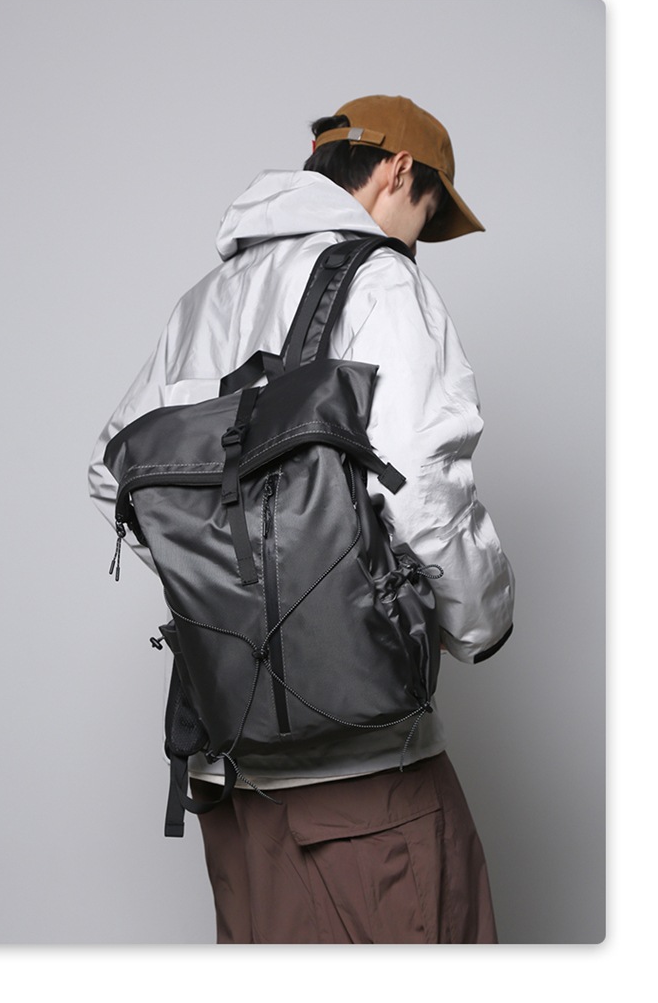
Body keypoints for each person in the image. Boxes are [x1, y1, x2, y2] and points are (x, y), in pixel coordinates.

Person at [88, 95, 515, 944]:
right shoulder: (382, 279)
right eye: (428, 214)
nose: (417, 240)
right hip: (366, 776)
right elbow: (423, 485)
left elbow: (115, 472)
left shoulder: (205, 300)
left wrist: (224, 584)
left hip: (230, 772)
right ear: (400, 170)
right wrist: (483, 622)